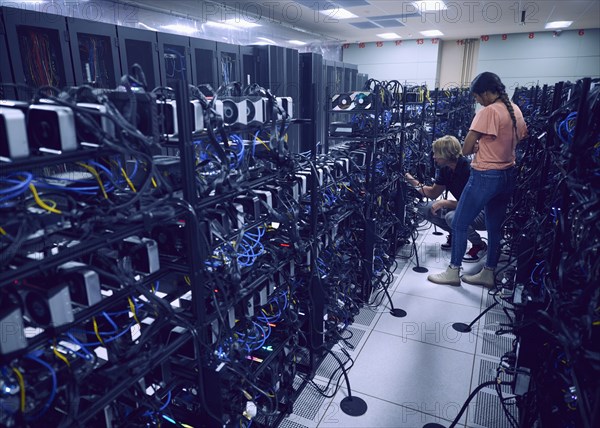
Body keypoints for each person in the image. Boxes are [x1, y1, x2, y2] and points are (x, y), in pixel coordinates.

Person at [427, 72, 527, 288]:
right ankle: (488, 273)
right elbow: (521, 137)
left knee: (460, 222)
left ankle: (453, 272)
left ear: (486, 93)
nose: (477, 102)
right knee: (494, 227)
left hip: (485, 175)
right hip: (508, 174)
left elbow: (465, 149)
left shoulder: (488, 112)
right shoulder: (515, 109)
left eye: (477, 97)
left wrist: (480, 145)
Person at [405, 135, 487, 262]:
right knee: (425, 208)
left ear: (447, 154)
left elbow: (473, 204)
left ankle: (479, 245)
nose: (433, 157)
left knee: (452, 217)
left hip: (482, 213)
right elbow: (432, 193)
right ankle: (455, 235)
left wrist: (445, 202)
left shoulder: (470, 169)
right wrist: (409, 179)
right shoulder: (446, 169)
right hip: (466, 207)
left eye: (436, 153)